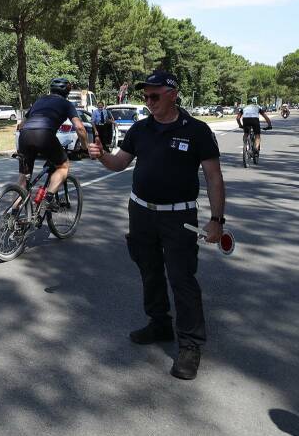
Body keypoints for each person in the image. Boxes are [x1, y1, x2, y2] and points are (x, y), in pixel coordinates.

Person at [87, 70, 226, 380]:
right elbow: (119, 164)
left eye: (154, 95)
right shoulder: (140, 129)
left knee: (182, 278)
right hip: (141, 212)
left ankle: (190, 345)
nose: (148, 101)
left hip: (179, 216)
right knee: (149, 271)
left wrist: (217, 220)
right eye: (145, 96)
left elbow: (214, 177)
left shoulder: (198, 131)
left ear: (173, 94)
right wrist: (101, 156)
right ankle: (159, 323)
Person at [15, 78, 87, 212]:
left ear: (51, 90)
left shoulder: (39, 101)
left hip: (24, 136)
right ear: (67, 92)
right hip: (45, 135)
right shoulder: (67, 104)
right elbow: (80, 128)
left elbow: (21, 124)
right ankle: (46, 200)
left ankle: (13, 213)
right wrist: (84, 147)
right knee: (63, 166)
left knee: (24, 177)